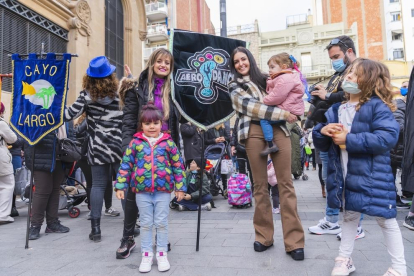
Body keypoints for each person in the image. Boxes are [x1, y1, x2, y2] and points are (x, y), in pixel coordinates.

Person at [313, 58, 406, 276]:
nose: (348, 77)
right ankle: (344, 259)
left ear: (370, 80)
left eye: (355, 74)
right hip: (346, 175)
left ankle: (399, 268)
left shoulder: (377, 107)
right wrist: (322, 131)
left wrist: (350, 137)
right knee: (349, 217)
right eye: (349, 73)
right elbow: (323, 144)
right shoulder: (336, 109)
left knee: (387, 220)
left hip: (374, 176)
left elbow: (387, 138)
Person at [229, 46, 305, 260]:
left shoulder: (267, 77)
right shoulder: (234, 85)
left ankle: (295, 242)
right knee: (260, 186)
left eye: (243, 59)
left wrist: (293, 110)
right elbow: (250, 107)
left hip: (279, 129)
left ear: (250, 60)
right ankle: (264, 236)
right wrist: (283, 112)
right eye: (236, 61)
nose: (241, 63)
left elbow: (292, 90)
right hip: (253, 130)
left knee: (286, 183)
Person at [117, 49, 180, 259]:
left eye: (167, 63)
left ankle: (160, 239)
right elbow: (128, 119)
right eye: (159, 61)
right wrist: (127, 145)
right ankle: (127, 237)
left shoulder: (173, 90)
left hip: (164, 146)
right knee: (134, 193)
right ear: (152, 63)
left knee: (161, 193)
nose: (163, 65)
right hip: (140, 145)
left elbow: (177, 121)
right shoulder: (137, 88)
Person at [114, 103, 186, 273]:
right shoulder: (135, 143)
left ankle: (161, 253)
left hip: (163, 192)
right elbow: (125, 165)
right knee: (146, 223)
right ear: (141, 125)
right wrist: (120, 186)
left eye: (155, 123)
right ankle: (146, 254)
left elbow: (178, 165)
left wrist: (180, 187)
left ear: (162, 124)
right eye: (147, 123)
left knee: (161, 223)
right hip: (142, 192)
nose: (151, 127)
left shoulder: (168, 143)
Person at [307, 36, 366, 238]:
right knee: (330, 178)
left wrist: (326, 96)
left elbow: (357, 95)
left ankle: (355, 225)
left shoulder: (361, 69)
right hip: (331, 129)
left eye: (337, 56)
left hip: (350, 132)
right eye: (332, 57)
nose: (334, 61)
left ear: (349, 52)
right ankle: (332, 220)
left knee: (352, 180)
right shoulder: (337, 74)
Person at [65, 56, 123, 242]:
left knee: (97, 185)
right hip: (119, 146)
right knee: (124, 184)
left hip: (97, 147)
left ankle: (96, 229)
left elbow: (69, 114)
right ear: (111, 75)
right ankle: (132, 223)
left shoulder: (86, 95)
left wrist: (47, 108)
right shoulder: (120, 93)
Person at [73, 114, 121, 220]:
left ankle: (94, 217)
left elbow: (77, 132)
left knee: (95, 184)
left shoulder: (85, 118)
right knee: (107, 182)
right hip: (100, 152)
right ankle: (105, 209)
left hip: (90, 153)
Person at [260, 53, 305, 156]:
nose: (269, 70)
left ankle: (270, 144)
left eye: (272, 67)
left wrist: (264, 100)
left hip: (289, 110)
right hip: (289, 108)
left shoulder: (285, 79)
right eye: (269, 67)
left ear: (283, 67)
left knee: (264, 119)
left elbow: (277, 96)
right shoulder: (286, 77)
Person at [390, 85, 409, 209]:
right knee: (391, 175)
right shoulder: (399, 107)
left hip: (400, 148)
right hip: (396, 149)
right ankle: (394, 199)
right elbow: (399, 127)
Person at [0, 102, 17, 224]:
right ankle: (3, 215)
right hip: (1, 157)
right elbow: (13, 139)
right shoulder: (1, 123)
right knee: (7, 184)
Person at [205, 123, 230, 193]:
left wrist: (224, 138)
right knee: (213, 170)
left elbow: (228, 138)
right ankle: (213, 186)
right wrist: (214, 140)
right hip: (212, 153)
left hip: (222, 153)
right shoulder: (208, 129)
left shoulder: (222, 128)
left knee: (223, 170)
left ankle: (225, 188)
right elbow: (205, 141)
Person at [9, 129, 23, 217]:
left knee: (14, 182)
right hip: (12, 155)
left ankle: (12, 207)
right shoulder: (5, 124)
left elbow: (19, 141)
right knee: (10, 183)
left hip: (15, 154)